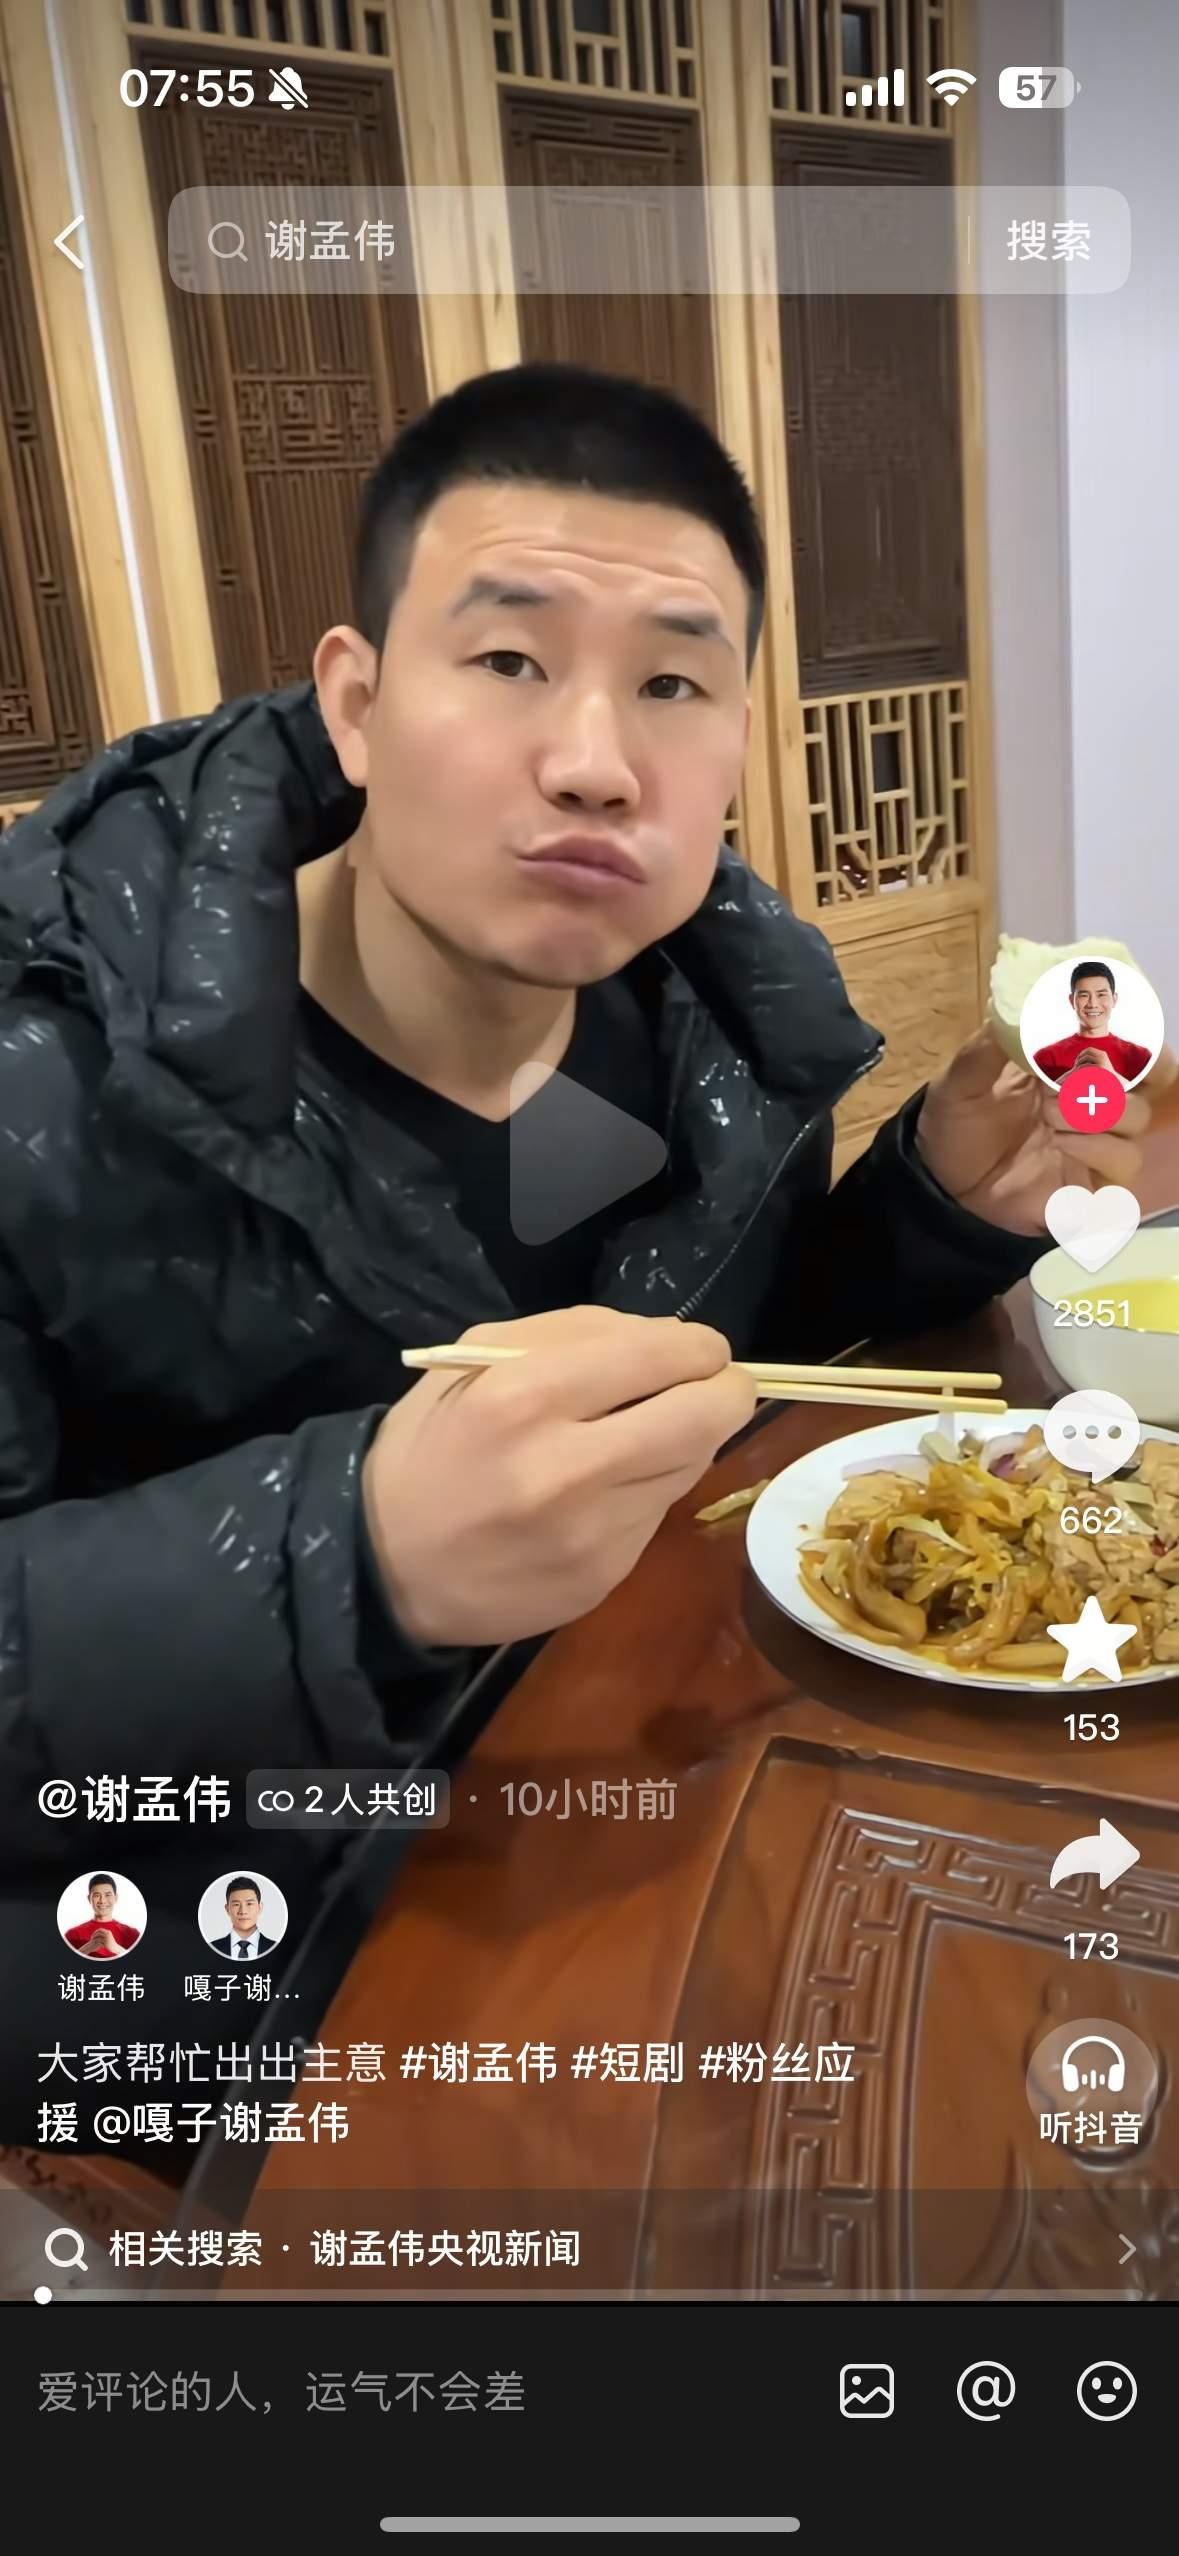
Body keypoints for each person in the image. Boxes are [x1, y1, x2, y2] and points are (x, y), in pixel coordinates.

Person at [0, 361, 1173, 1851]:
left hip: (641, 1783)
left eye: (672, 684)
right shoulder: (48, 1074)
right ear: (356, 705)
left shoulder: (721, 1027)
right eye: (508, 660)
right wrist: (353, 1559)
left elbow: (720, 1357)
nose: (595, 766)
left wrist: (936, 1207)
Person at [1032, 960, 1153, 1086]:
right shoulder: (1045, 1058)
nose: (1093, 1004)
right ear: (1071, 1001)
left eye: (1101, 995)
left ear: (1114, 999)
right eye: (1084, 995)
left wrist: (1111, 1075)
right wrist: (1067, 1078)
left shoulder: (1141, 1057)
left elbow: (1149, 1097)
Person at [62, 1874, 141, 1959]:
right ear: (89, 1899)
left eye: (108, 1895)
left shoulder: (132, 1934)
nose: (102, 1901)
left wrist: (116, 1948)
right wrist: (87, 1948)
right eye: (96, 1895)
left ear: (116, 1898)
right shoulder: (72, 1935)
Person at [206, 1876, 278, 1962]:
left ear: (260, 1908)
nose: (243, 1911)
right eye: (236, 1904)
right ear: (227, 1909)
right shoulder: (211, 1949)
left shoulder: (277, 1948)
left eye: (249, 1904)